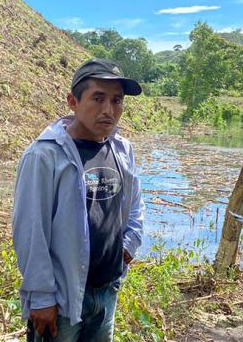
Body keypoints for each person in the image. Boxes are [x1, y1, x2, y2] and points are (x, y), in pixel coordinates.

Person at [12, 58, 145, 342]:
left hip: (106, 290)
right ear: (73, 101)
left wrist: (130, 242)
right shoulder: (45, 155)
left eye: (117, 100)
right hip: (62, 296)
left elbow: (135, 203)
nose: (109, 110)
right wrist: (41, 296)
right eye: (98, 98)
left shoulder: (122, 149)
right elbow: (30, 230)